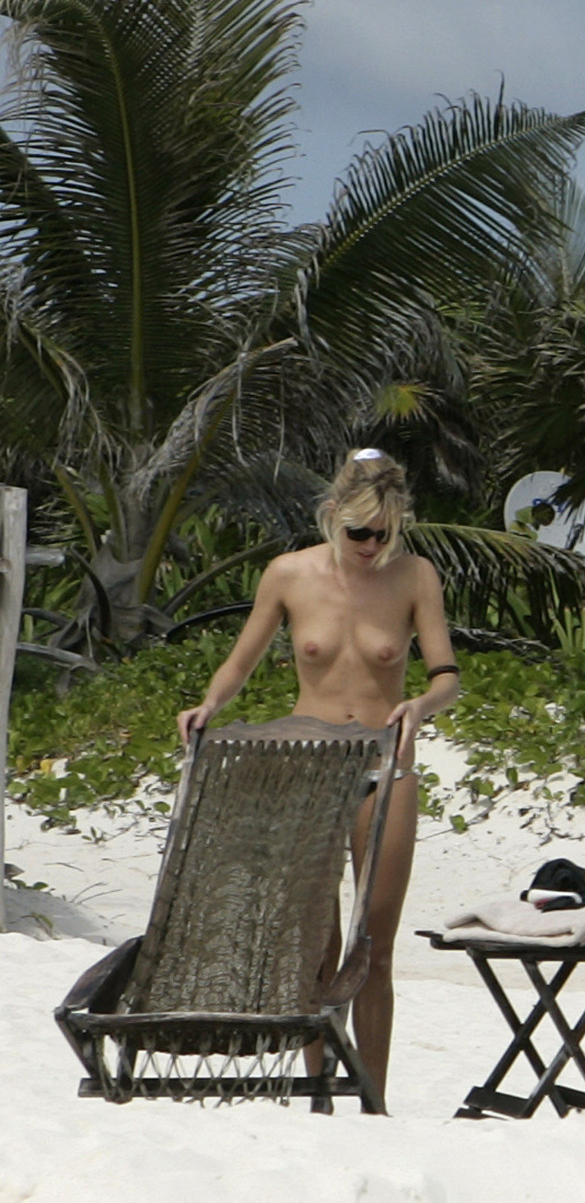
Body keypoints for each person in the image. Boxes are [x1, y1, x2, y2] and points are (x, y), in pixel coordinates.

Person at [177, 448, 459, 1108]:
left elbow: (447, 675)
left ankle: (374, 1100)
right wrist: (209, 704)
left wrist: (420, 704)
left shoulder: (414, 576)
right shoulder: (289, 573)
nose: (371, 546)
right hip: (309, 766)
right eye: (359, 531)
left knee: (375, 949)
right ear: (332, 515)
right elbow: (240, 660)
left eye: (384, 533)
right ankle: (319, 1093)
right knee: (316, 943)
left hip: (385, 765)